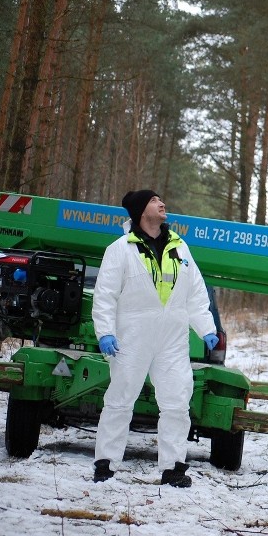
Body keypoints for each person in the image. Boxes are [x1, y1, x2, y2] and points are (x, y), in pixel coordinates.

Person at [91, 190, 219, 487]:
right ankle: (106, 464)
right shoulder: (120, 249)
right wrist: (106, 332)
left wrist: (206, 328)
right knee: (121, 399)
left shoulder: (180, 248)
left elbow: (196, 293)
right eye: (154, 201)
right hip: (131, 337)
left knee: (177, 402)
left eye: (162, 199)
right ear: (140, 211)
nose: (162, 204)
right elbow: (105, 295)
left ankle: (174, 468)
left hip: (172, 340)